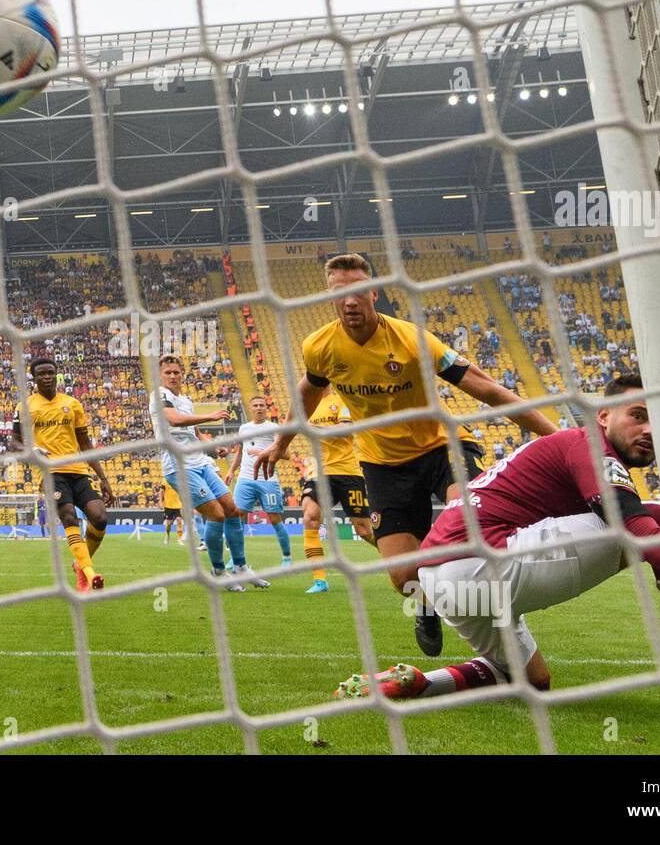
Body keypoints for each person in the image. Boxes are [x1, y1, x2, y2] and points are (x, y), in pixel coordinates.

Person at [334, 373, 660, 709]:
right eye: (638, 415)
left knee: (529, 680)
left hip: (446, 583)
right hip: (483, 562)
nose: (648, 431)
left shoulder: (573, 452)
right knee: (654, 524)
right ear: (603, 417)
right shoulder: (587, 445)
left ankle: (417, 683)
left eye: (657, 423)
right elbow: (639, 533)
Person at [255, 253, 557, 655]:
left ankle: (502, 611)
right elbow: (308, 391)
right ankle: (428, 606)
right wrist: (282, 441)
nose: (349, 302)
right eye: (339, 293)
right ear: (330, 297)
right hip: (382, 465)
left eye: (358, 291)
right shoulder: (321, 348)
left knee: (466, 521)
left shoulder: (412, 340)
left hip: (441, 447)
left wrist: (559, 437)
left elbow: (484, 387)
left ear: (374, 292)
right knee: (403, 578)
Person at [150, 355, 268, 591]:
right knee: (216, 515)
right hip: (179, 465)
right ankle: (218, 571)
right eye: (168, 373)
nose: (173, 376)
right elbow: (173, 420)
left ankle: (241, 567)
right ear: (160, 375)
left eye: (176, 372)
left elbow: (194, 431)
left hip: (200, 461)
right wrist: (211, 416)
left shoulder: (185, 399)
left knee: (233, 510)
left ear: (182, 374)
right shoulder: (159, 396)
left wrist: (213, 447)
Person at [11, 358, 116, 592]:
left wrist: (103, 477)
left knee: (100, 518)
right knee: (69, 518)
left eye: (51, 373)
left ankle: (80, 565)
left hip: (78, 471)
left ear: (57, 376)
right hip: (50, 473)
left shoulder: (73, 404)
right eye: (41, 374)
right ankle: (89, 574)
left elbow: (85, 443)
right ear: (34, 378)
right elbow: (14, 442)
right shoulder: (24, 407)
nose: (47, 377)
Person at [299, 387, 376, 593]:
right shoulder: (308, 405)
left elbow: (343, 431)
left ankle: (401, 558)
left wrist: (310, 427)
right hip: (319, 472)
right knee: (311, 517)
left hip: (348, 472)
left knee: (364, 530)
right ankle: (319, 581)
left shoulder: (342, 400)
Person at [227, 396, 293, 567]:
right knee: (238, 516)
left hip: (268, 479)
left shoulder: (273, 428)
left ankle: (286, 557)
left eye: (261, 405)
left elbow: (286, 454)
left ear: (266, 408)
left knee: (274, 517)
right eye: (255, 405)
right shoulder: (244, 428)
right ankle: (236, 558)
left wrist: (263, 452)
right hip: (245, 479)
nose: (258, 408)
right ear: (250, 408)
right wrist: (230, 471)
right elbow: (240, 453)